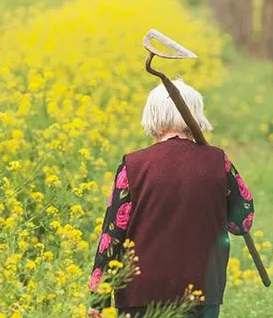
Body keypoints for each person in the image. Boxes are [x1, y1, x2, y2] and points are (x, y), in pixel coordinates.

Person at [86, 80, 255, 318]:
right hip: (202, 293)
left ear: (151, 117)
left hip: (140, 295)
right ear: (195, 117)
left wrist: (99, 297)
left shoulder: (133, 166)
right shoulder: (219, 161)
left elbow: (112, 235)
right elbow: (243, 222)